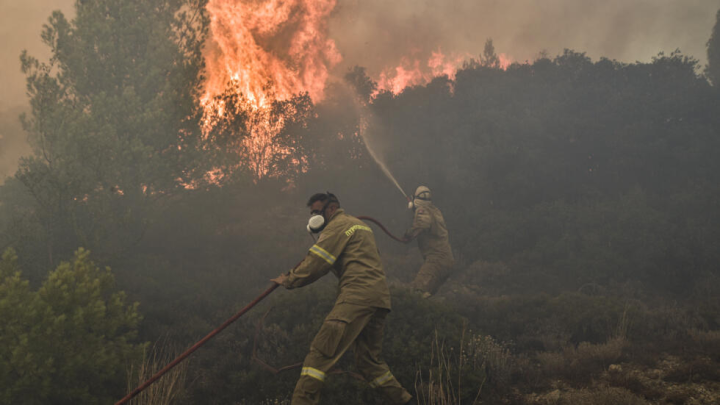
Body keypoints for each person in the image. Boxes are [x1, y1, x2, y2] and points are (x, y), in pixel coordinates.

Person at [271, 192, 413, 405]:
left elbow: (317, 263)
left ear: (332, 209)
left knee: (318, 357)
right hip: (379, 299)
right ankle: (406, 401)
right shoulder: (359, 226)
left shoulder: (338, 225)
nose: (314, 218)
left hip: (356, 297)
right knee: (369, 364)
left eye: (317, 212)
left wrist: (288, 279)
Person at [404, 186, 455, 297]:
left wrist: (409, 234)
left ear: (415, 200)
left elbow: (422, 224)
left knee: (417, 290)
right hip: (447, 262)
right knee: (426, 295)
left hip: (436, 260)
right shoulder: (435, 211)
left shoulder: (422, 210)